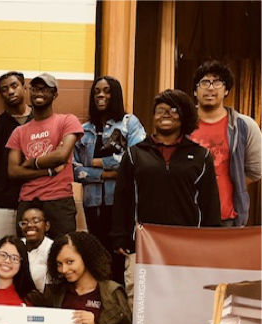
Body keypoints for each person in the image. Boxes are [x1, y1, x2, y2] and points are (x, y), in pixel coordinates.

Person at [111, 89, 221, 304]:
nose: (165, 115)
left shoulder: (201, 156)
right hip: (144, 244)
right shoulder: (135, 154)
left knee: (184, 302)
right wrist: (120, 236)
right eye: (160, 111)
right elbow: (122, 197)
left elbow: (209, 203)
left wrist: (211, 241)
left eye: (173, 110)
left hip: (187, 246)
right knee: (142, 304)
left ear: (185, 117)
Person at [73, 76, 146, 282]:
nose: (100, 95)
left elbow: (136, 158)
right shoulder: (84, 129)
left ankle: (123, 303)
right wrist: (109, 173)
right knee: (98, 254)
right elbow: (74, 169)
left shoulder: (129, 123)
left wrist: (96, 163)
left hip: (120, 202)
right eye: (96, 91)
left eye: (106, 91)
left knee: (120, 255)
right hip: (92, 203)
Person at [7, 72, 84, 239]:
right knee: (27, 256)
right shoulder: (19, 132)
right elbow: (13, 172)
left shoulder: (67, 121)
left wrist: (31, 162)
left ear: (54, 94)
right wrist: (48, 171)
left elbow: (61, 156)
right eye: (35, 88)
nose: (39, 93)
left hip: (59, 200)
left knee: (63, 253)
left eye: (45, 89)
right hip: (28, 200)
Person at [189, 60, 262, 226]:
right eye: (205, 82)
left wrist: (229, 182)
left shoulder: (244, 126)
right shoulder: (182, 125)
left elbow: (255, 171)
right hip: (186, 217)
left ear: (226, 89)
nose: (211, 87)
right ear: (195, 90)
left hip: (227, 219)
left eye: (217, 82)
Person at [0, 72, 32, 276]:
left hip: (36, 202)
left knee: (30, 259)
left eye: (14, 85)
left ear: (24, 87)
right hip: (4, 204)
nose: (10, 91)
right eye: (4, 89)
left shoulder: (41, 120)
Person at [17, 200, 53, 292]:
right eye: (24, 223)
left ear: (47, 226)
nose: (29, 225)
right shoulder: (15, 246)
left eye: (35, 221)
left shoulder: (53, 249)